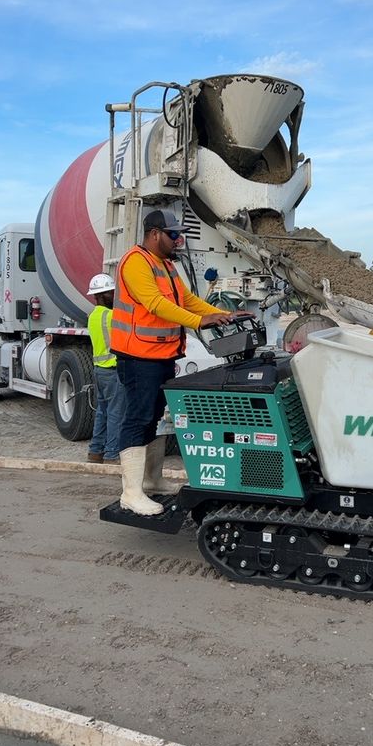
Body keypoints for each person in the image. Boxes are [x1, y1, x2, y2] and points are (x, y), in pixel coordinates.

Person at [111, 209, 239, 517]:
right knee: (138, 418)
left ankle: (152, 480)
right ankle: (130, 492)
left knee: (154, 417)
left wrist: (221, 314)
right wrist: (198, 321)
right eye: (172, 234)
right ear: (154, 233)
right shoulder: (135, 262)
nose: (178, 239)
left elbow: (187, 299)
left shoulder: (166, 265)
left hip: (162, 355)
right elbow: (155, 304)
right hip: (139, 356)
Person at [86, 273, 126, 464]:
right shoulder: (110, 316)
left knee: (102, 412)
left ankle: (95, 452)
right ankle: (112, 455)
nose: (114, 296)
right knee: (116, 414)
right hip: (112, 370)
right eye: (111, 293)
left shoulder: (94, 315)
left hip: (100, 371)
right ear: (101, 295)